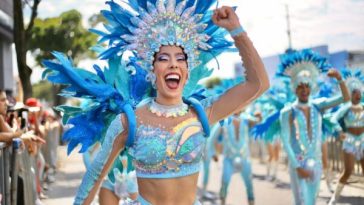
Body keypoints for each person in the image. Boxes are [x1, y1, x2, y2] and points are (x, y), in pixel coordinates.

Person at [43, 1, 270, 204]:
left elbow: (258, 84)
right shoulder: (129, 121)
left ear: (187, 71)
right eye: (163, 58)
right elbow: (95, 175)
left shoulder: (203, 112)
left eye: (180, 58)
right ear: (151, 70)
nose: (173, 64)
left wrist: (237, 31)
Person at [278, 50, 350, 205]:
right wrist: (297, 167)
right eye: (300, 87)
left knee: (311, 201)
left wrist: (339, 78)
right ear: (295, 89)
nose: (304, 91)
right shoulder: (288, 112)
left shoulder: (318, 105)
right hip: (298, 162)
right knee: (301, 201)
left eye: (307, 87)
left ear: (311, 88)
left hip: (315, 162)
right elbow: (285, 140)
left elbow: (345, 98)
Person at [328, 68, 364, 205]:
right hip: (349, 141)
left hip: (363, 140)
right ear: (351, 94)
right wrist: (339, 131)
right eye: (355, 93)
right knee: (348, 171)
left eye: (360, 93)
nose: (358, 95)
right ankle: (335, 198)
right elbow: (333, 119)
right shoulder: (346, 107)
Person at [218, 110, 260, 205]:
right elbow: (214, 134)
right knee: (225, 180)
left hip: (244, 157)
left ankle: (251, 201)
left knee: (249, 182)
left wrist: (259, 117)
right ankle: (222, 201)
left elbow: (258, 122)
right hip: (228, 157)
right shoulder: (225, 120)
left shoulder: (247, 119)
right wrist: (213, 151)